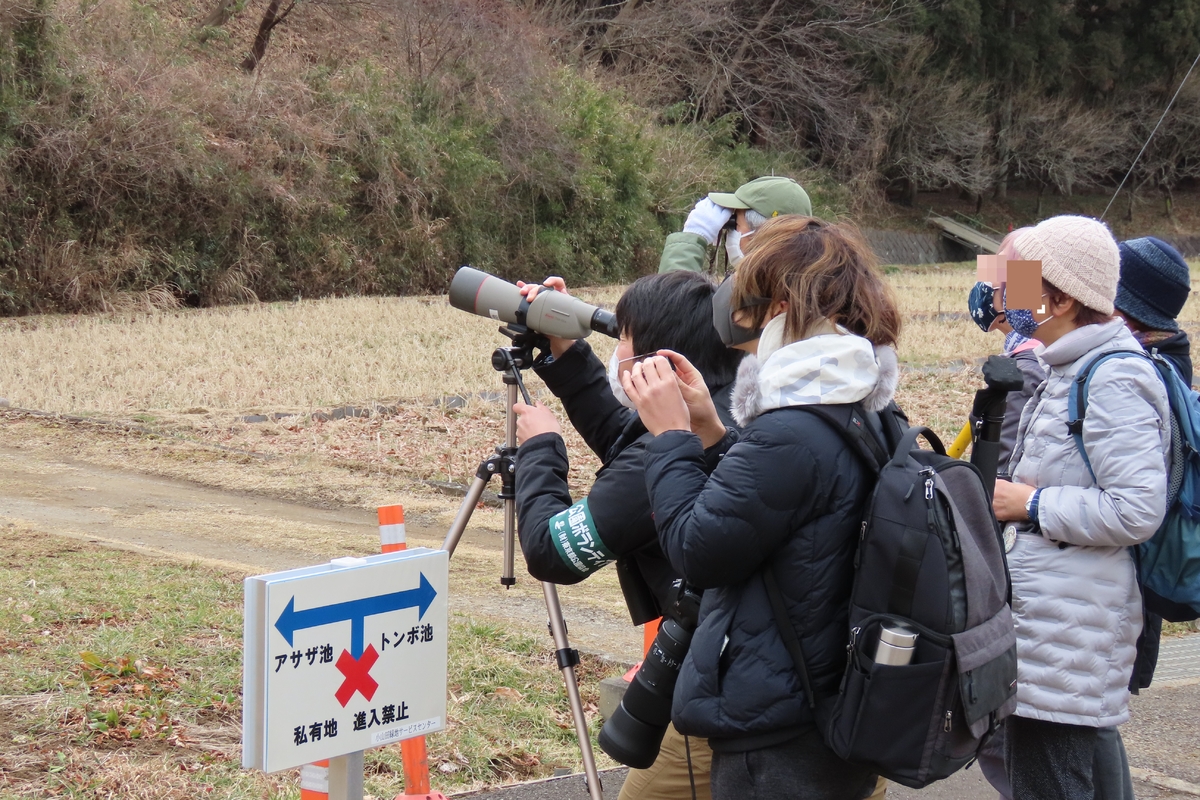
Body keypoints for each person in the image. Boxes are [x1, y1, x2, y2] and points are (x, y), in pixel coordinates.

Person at [624, 215, 900, 800]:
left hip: (779, 726)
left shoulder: (792, 429)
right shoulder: (862, 409)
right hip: (833, 693)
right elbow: (781, 512)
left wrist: (670, 436)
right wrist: (711, 432)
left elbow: (698, 550)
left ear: (781, 307)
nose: (740, 315)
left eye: (750, 299)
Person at [512, 269, 744, 800]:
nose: (618, 353)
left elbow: (551, 552)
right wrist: (566, 351)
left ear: (661, 363)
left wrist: (541, 449)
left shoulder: (674, 447)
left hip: (723, 688)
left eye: (625, 339)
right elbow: (629, 437)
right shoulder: (725, 405)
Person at [990, 216, 1172, 800]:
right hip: (1051, 626)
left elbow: (1136, 509)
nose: (1008, 298)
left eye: (1021, 285)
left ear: (1062, 299)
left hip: (1069, 636)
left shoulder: (1112, 377)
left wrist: (1030, 503)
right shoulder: (1064, 368)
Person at [658, 176, 812, 274]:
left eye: (736, 224)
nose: (731, 232)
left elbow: (672, 308)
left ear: (761, 234)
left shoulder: (759, 299)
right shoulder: (804, 289)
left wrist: (691, 239)